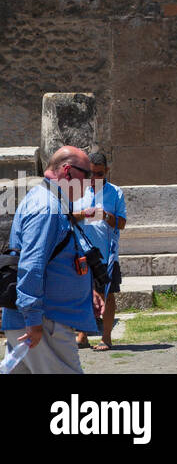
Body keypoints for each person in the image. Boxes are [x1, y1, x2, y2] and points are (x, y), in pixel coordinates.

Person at [1, 146, 97, 374]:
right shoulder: (47, 207)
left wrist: (86, 290)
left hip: (38, 320)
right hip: (44, 323)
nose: (91, 183)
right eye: (88, 175)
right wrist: (33, 319)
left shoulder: (52, 201)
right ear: (68, 171)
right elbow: (32, 266)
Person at [72, 151, 127, 351]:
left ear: (107, 172)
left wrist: (106, 216)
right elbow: (68, 216)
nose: (94, 178)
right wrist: (82, 214)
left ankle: (106, 337)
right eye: (91, 174)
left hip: (107, 254)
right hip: (82, 252)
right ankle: (82, 335)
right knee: (82, 294)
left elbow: (121, 223)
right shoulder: (77, 190)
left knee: (108, 294)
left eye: (99, 174)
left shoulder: (116, 192)